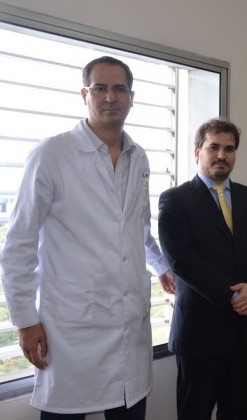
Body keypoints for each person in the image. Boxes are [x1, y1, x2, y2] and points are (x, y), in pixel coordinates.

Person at [0, 56, 176, 419]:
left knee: (129, 408)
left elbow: (138, 227)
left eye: (119, 89)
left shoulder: (139, 157)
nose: (110, 97)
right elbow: (19, 245)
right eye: (100, 88)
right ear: (85, 95)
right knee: (66, 410)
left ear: (131, 97)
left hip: (129, 324)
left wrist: (161, 266)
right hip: (72, 329)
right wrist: (25, 319)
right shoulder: (52, 154)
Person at [157, 118, 247, 420]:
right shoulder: (175, 200)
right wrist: (235, 296)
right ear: (197, 152)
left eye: (229, 148)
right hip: (200, 335)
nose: (222, 155)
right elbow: (182, 261)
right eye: (214, 147)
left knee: (240, 412)